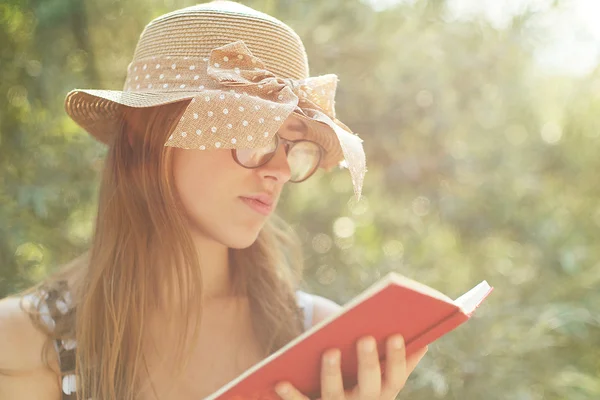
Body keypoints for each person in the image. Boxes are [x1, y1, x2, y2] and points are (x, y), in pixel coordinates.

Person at [0, 2, 428, 399]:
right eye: (254, 132)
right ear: (144, 135)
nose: (279, 169)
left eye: (291, 146)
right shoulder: (22, 342)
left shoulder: (321, 340)